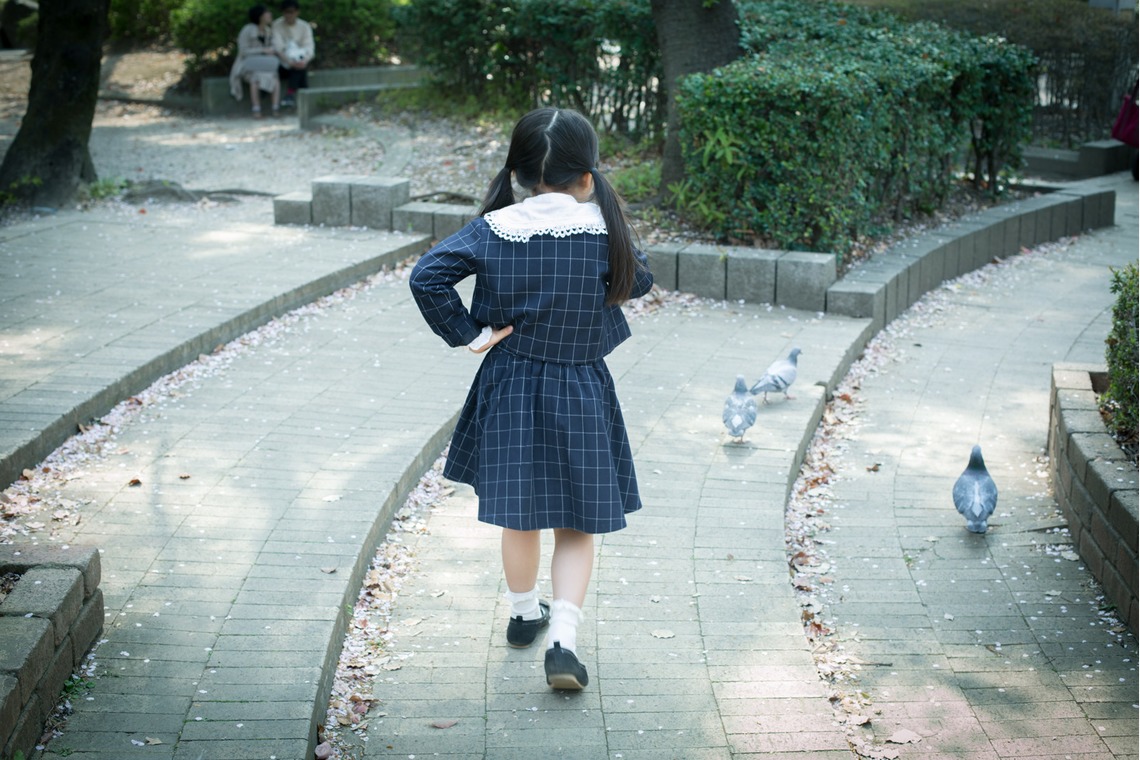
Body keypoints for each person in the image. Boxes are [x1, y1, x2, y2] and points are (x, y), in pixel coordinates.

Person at [409, 108, 653, 691]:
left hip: (511, 386)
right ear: (587, 176)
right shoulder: (602, 229)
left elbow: (427, 275)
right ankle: (563, 640)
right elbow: (638, 282)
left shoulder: (496, 228)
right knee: (577, 521)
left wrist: (469, 334)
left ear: (517, 173)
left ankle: (523, 615)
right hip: (581, 389)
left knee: (520, 514)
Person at [229, 5, 281, 118]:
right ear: (260, 16)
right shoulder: (247, 30)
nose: (270, 15)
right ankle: (256, 109)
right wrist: (263, 50)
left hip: (263, 64)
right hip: (247, 65)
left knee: (274, 77)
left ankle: (275, 108)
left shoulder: (268, 31)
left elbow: (274, 47)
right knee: (255, 78)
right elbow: (243, 51)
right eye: (267, 13)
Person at [272, 0, 315, 108]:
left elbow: (309, 47)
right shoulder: (276, 25)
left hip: (300, 61)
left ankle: (291, 95)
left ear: (297, 12)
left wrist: (304, 60)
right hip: (282, 64)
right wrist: (290, 62)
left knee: (300, 68)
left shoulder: (304, 26)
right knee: (299, 70)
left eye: (291, 12)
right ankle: (302, 98)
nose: (288, 15)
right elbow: (278, 48)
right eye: (286, 12)